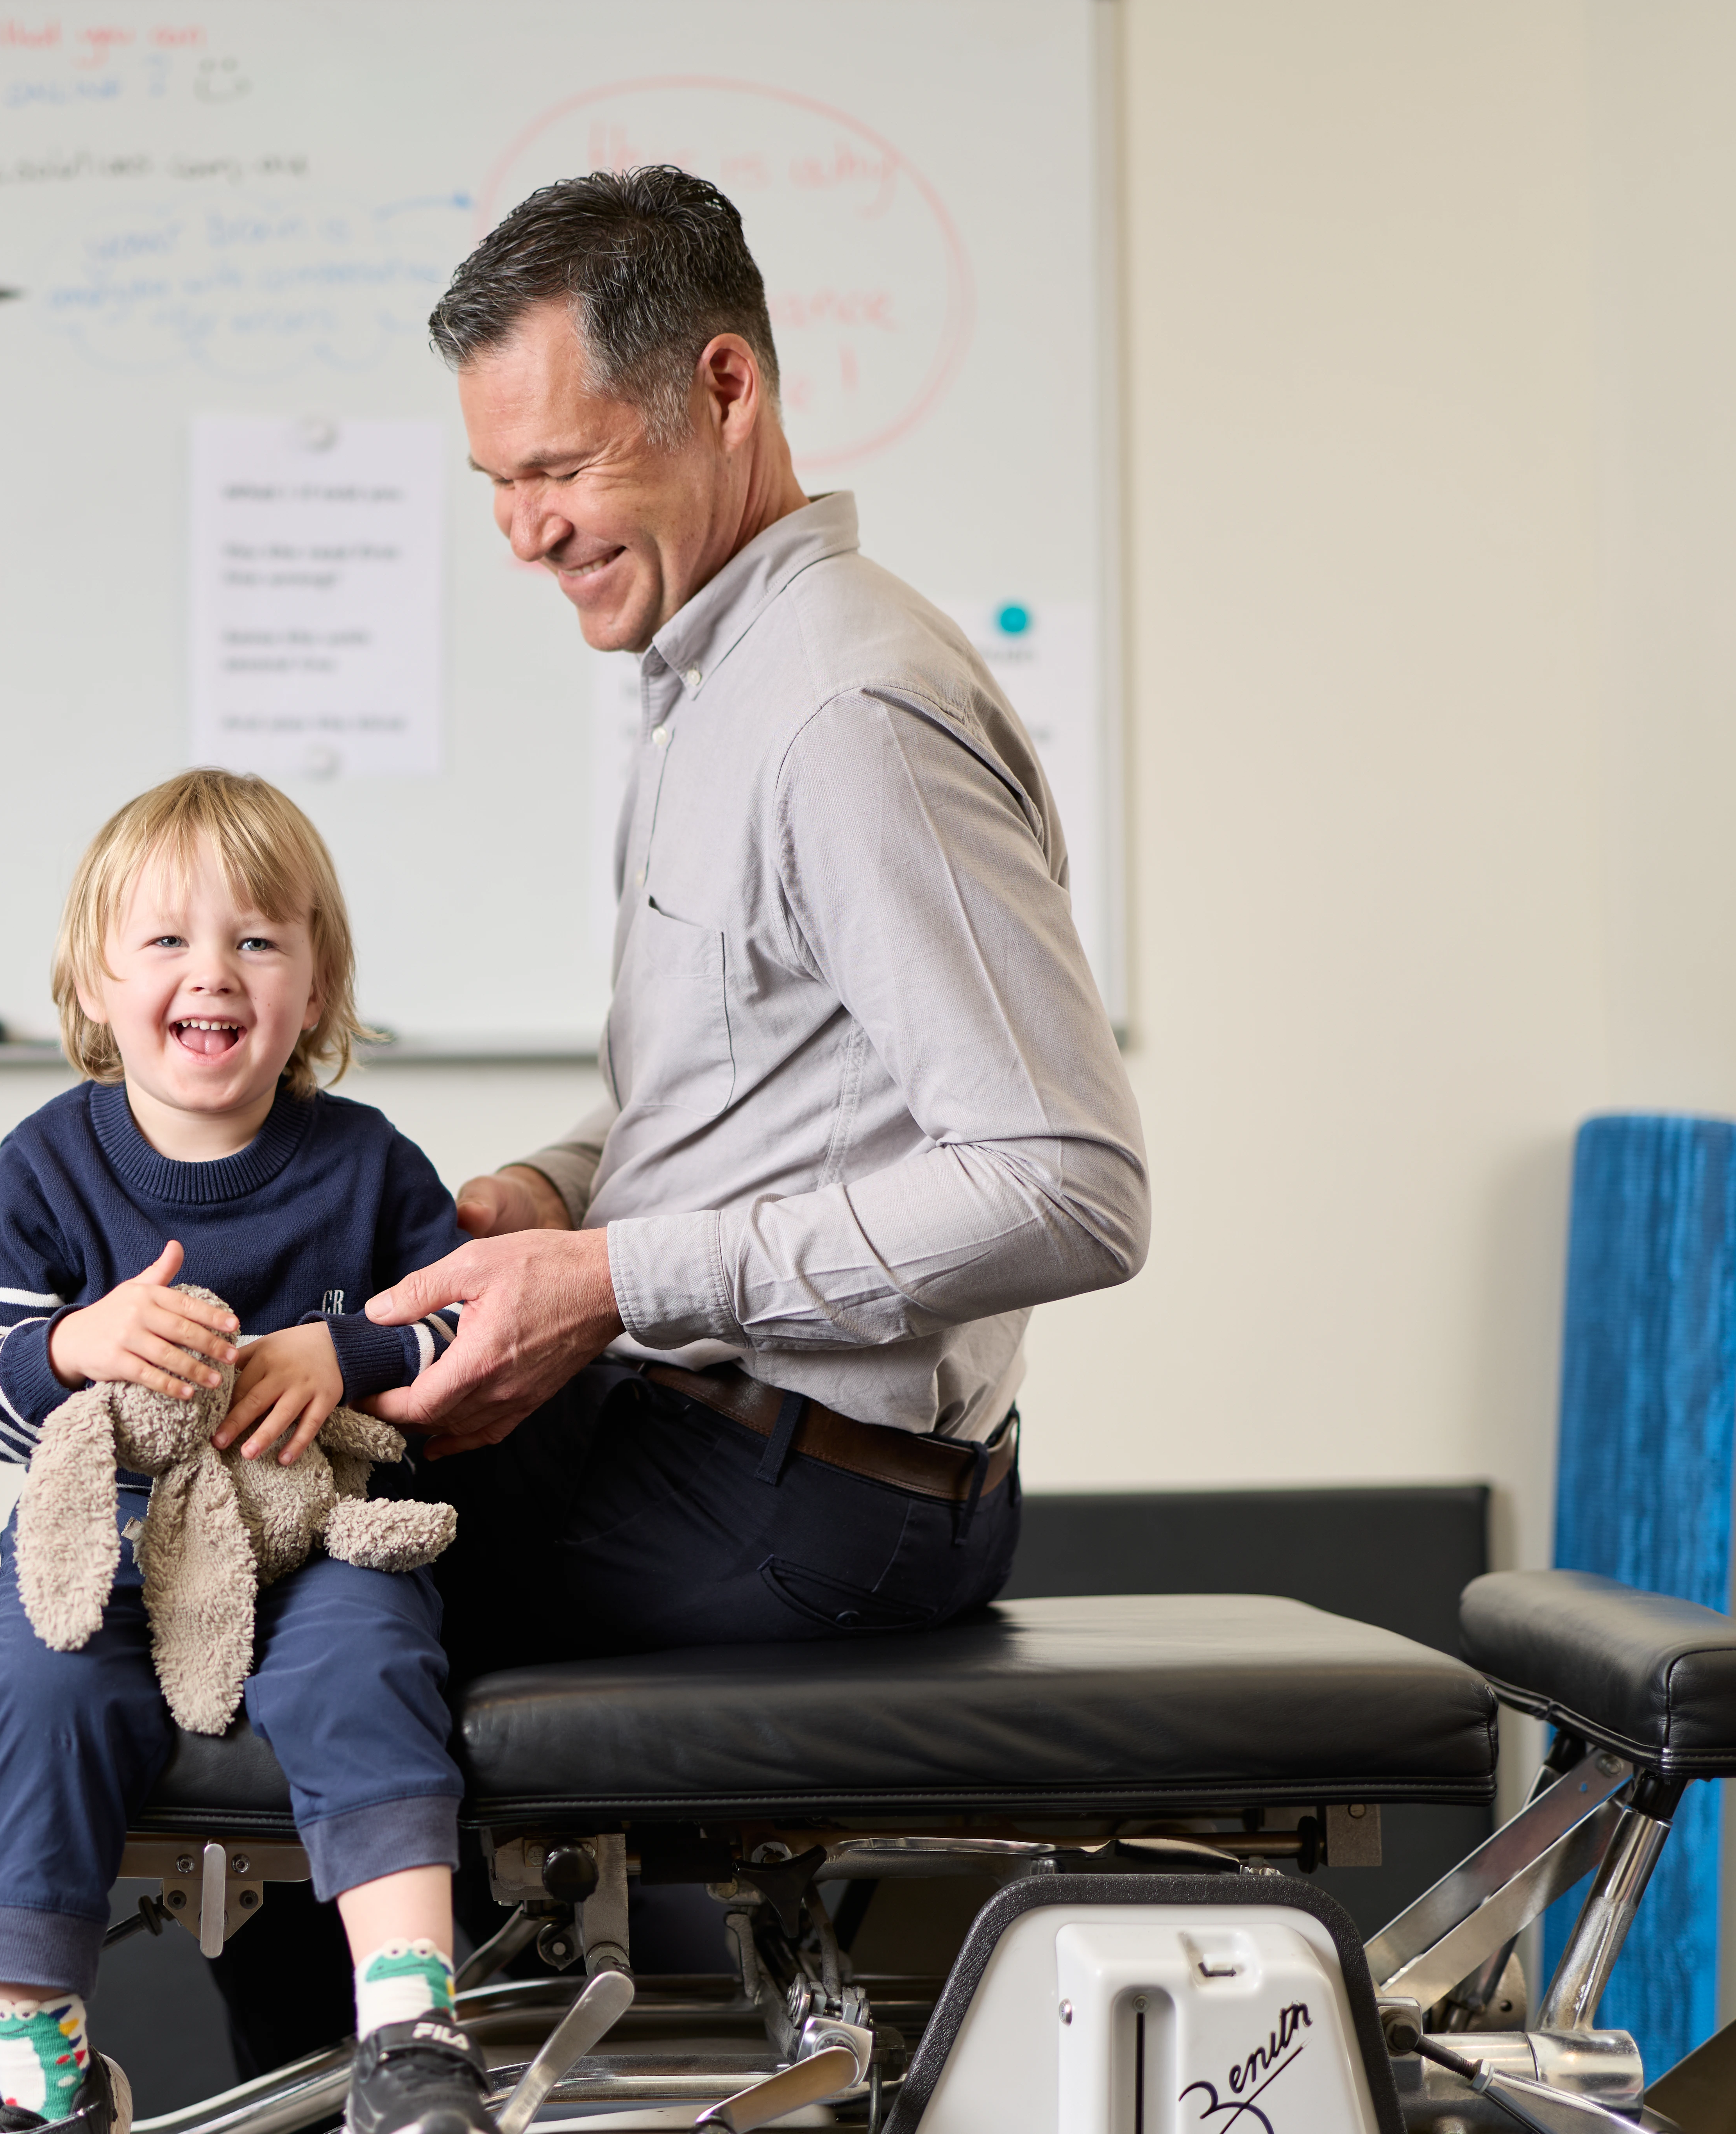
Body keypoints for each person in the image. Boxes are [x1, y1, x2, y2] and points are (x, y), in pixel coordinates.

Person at [358, 165, 1151, 1674]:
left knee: (271, 1637)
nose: (524, 533)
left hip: (806, 1501)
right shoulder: (718, 683)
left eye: (561, 468)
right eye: (496, 488)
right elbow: (771, 1093)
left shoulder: (845, 710)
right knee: (230, 1517)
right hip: (737, 1450)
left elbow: (1069, 1184)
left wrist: (608, 1280)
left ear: (723, 388)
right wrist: (556, 1191)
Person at [0, 769, 495, 2134]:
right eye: (169, 942)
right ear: (94, 980)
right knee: (39, 1691)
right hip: (111, 1547)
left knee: (369, 1654)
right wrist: (77, 1345)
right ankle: (42, 2073)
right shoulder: (45, 1166)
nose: (216, 972)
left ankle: (411, 2027)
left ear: (315, 985)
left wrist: (349, 1353)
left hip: (314, 1536)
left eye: (257, 940)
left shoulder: (368, 1164)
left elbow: (465, 1336)